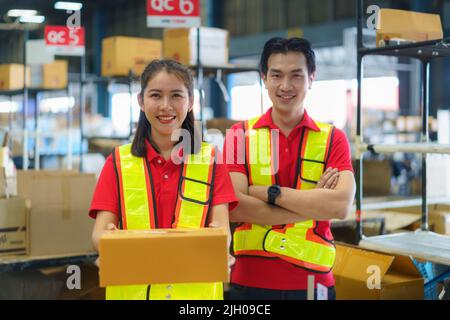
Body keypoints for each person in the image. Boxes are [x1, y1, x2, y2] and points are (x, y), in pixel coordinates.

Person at [89, 59, 238, 300]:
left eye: (176, 96)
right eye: (156, 95)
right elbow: (99, 233)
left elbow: (222, 230)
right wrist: (109, 239)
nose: (165, 106)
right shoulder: (117, 161)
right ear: (141, 101)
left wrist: (216, 240)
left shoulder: (211, 160)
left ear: (190, 102)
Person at [223, 37, 356, 300]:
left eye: (296, 75)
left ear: (312, 78)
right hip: (250, 282)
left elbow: (340, 206)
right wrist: (312, 203)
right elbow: (236, 206)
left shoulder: (333, 138)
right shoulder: (239, 135)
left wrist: (268, 193)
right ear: (264, 78)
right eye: (276, 75)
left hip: (312, 282)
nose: (286, 86)